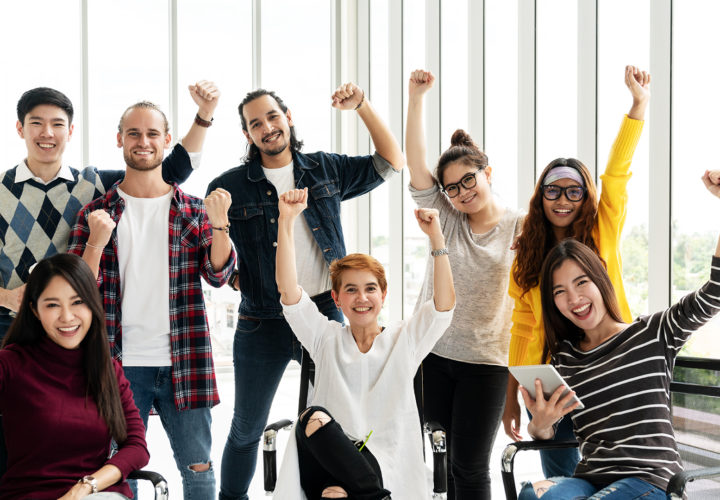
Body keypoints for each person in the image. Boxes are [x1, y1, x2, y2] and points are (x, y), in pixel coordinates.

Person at [0, 81, 218, 478]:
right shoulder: (0, 191)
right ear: (20, 129)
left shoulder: (94, 185)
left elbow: (166, 165)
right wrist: (6, 296)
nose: (47, 133)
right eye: (36, 123)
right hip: (17, 331)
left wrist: (203, 117)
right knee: (19, 443)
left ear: (70, 131)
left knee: (89, 453)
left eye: (57, 124)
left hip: (81, 333)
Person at [207, 83, 405, 500]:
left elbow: (391, 161)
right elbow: (218, 269)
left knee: (332, 424)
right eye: (255, 123)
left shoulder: (324, 168)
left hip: (322, 315)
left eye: (272, 117)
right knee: (245, 428)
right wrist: (221, 228)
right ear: (247, 135)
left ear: (288, 117)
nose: (267, 127)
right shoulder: (228, 187)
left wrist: (362, 107)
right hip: (261, 321)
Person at [67, 100, 236, 499]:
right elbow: (77, 292)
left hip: (185, 360)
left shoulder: (193, 210)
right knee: (113, 470)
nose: (143, 141)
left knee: (198, 469)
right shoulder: (96, 214)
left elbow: (219, 275)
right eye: (134, 133)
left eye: (152, 133)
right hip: (116, 365)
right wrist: (96, 241)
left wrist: (220, 225)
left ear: (167, 141)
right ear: (120, 140)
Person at [517, 169, 720, 500]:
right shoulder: (565, 358)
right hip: (591, 478)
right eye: (560, 292)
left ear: (601, 280)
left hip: (650, 479)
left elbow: (715, 293)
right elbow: (544, 433)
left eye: (582, 283)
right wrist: (540, 424)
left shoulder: (654, 332)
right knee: (535, 494)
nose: (574, 299)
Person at [503, 66, 650, 478]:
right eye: (552, 190)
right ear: (540, 197)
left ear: (586, 195)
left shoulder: (602, 234)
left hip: (610, 362)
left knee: (617, 471)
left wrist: (637, 107)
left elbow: (616, 176)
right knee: (561, 479)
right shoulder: (527, 255)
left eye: (573, 190)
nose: (562, 200)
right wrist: (510, 394)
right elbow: (522, 326)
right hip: (553, 380)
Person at [272, 188, 455, 499]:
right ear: (337, 298)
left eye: (370, 289)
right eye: (351, 290)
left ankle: (367, 493)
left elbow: (443, 307)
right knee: (312, 418)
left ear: (383, 295)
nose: (362, 298)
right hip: (326, 458)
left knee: (335, 496)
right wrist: (286, 220)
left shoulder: (404, 339)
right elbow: (288, 291)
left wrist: (436, 238)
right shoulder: (325, 337)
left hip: (386, 461)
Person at [404, 69, 524, 498]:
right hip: (431, 354)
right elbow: (415, 164)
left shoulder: (521, 228)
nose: (461, 192)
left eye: (468, 180)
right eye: (452, 188)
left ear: (487, 173)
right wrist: (416, 98)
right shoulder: (449, 217)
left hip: (486, 363)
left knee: (469, 467)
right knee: (436, 461)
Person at [0, 253, 148, 499]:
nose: (67, 317)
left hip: (98, 494)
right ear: (34, 311)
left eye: (77, 302)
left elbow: (136, 447)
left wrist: (84, 487)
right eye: (52, 305)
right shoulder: (11, 363)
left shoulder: (108, 369)